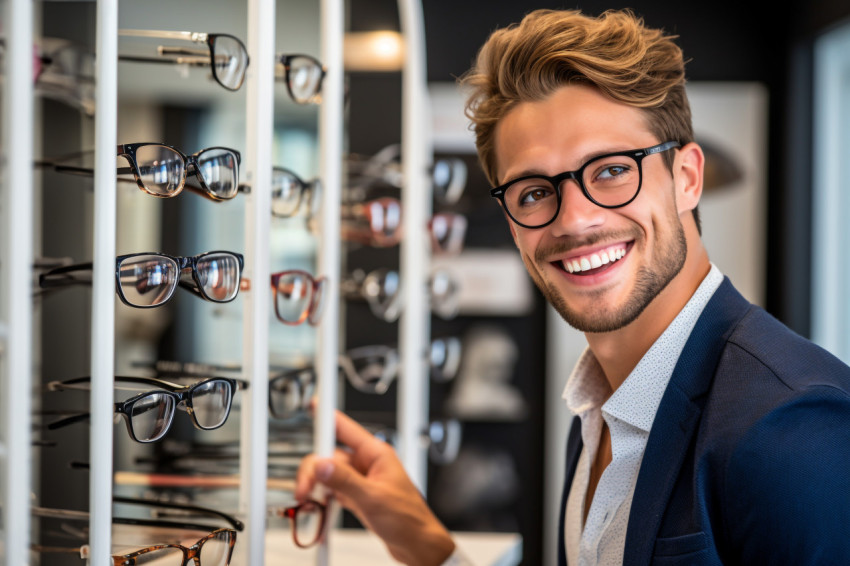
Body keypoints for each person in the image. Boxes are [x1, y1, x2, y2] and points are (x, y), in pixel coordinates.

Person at [296, 8, 850, 566]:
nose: (574, 220)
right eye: (534, 191)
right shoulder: (599, 409)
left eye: (611, 169)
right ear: (513, 224)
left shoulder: (794, 429)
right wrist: (423, 542)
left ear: (686, 179)